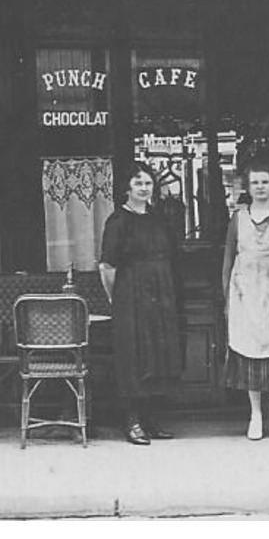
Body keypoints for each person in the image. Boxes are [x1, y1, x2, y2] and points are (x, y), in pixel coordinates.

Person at [98, 162, 185, 446]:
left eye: (148, 183)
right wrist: (117, 298)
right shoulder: (118, 221)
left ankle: (149, 418)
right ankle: (132, 420)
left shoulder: (158, 218)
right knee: (133, 355)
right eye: (138, 183)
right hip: (131, 294)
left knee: (156, 354)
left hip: (160, 293)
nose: (144, 188)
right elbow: (107, 266)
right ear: (127, 188)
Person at [222, 162, 269, 441]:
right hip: (245, 290)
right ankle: (256, 415)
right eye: (255, 183)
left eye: (265, 182)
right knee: (250, 353)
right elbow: (228, 256)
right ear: (247, 188)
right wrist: (227, 295)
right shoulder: (238, 219)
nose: (260, 187)